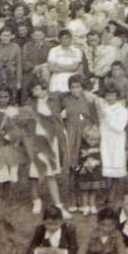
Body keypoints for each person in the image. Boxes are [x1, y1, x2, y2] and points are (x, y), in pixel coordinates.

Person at [26, 80, 70, 219]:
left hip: (51, 140)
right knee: (34, 174)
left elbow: (69, 94)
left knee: (51, 174)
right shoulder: (30, 104)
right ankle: (36, 200)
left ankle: (58, 206)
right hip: (37, 140)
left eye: (39, 88)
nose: (37, 92)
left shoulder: (54, 99)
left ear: (44, 88)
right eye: (34, 90)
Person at [60, 74, 96, 212]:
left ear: (82, 88)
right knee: (72, 170)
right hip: (71, 137)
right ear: (69, 88)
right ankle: (73, 201)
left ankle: (84, 201)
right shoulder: (65, 100)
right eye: (72, 87)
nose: (75, 90)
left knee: (85, 169)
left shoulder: (87, 100)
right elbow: (60, 118)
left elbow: (93, 118)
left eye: (78, 87)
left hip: (84, 137)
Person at [92, 81, 128, 205]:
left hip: (116, 143)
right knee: (105, 173)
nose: (110, 98)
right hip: (105, 143)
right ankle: (105, 197)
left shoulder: (122, 110)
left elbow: (119, 127)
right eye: (108, 95)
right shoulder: (103, 108)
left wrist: (106, 116)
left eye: (113, 95)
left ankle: (113, 198)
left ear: (117, 95)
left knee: (115, 173)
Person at [0, 87, 23, 201]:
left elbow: (17, 129)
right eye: (1, 97)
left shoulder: (13, 111)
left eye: (6, 97)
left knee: (8, 172)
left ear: (10, 98)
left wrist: (9, 137)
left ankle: (5, 198)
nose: (3, 99)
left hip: (9, 145)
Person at [76, 123, 107, 215]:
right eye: (91, 139)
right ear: (85, 138)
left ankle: (92, 205)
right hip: (85, 172)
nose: (93, 142)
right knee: (85, 190)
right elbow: (80, 158)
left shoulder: (99, 148)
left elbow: (100, 158)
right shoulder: (83, 148)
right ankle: (85, 206)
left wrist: (97, 162)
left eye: (96, 140)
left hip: (95, 172)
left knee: (94, 189)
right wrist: (85, 163)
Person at [47, 30, 83, 96]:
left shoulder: (77, 51)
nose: (65, 40)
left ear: (71, 39)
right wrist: (69, 67)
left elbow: (74, 67)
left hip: (72, 77)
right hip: (57, 77)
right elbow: (52, 68)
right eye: (63, 38)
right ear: (59, 39)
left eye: (67, 38)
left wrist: (58, 65)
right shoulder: (53, 50)